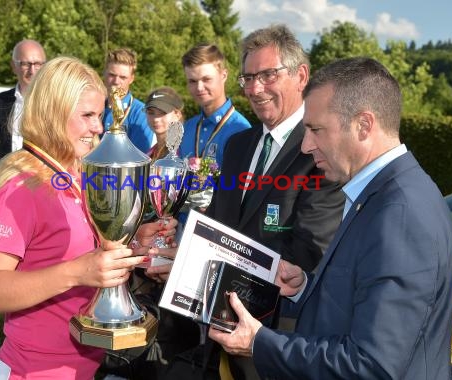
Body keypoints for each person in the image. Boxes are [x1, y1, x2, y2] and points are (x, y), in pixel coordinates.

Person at [209, 57, 452, 380]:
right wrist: (303, 288)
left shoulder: (401, 213)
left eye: (315, 130)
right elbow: (359, 298)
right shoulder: (382, 195)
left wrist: (260, 343)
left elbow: (372, 366)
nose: (306, 145)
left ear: (364, 126)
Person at [0, 56, 175, 380]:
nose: (98, 126)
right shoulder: (22, 189)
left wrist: (136, 244)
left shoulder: (79, 176)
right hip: (34, 370)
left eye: (100, 114)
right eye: (88, 115)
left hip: (86, 365)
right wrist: (77, 272)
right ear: (54, 114)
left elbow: (87, 253)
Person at [205, 24, 345, 379]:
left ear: (301, 76)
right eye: (248, 77)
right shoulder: (238, 145)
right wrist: (177, 247)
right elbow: (218, 224)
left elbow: (310, 250)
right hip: (220, 329)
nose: (255, 89)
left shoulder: (319, 151)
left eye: (267, 75)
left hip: (277, 339)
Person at [177, 43, 252, 215]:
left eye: (206, 79)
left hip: (217, 231)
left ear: (223, 75)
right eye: (192, 81)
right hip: (182, 225)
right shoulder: (188, 127)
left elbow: (241, 192)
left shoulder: (240, 129)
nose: (199, 87)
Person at [0, 39, 46, 162]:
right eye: (25, 64)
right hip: (8, 175)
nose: (32, 71)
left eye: (37, 64)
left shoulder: (55, 102)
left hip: (42, 178)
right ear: (13, 67)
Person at [102, 48, 155, 152]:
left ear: (131, 79)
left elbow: (138, 157)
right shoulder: (95, 107)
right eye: (112, 75)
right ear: (104, 73)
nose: (116, 81)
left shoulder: (141, 113)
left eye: (123, 77)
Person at [144, 86, 184, 161]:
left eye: (162, 113)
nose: (156, 119)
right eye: (151, 112)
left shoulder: (184, 150)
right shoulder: (150, 154)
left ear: (177, 115)